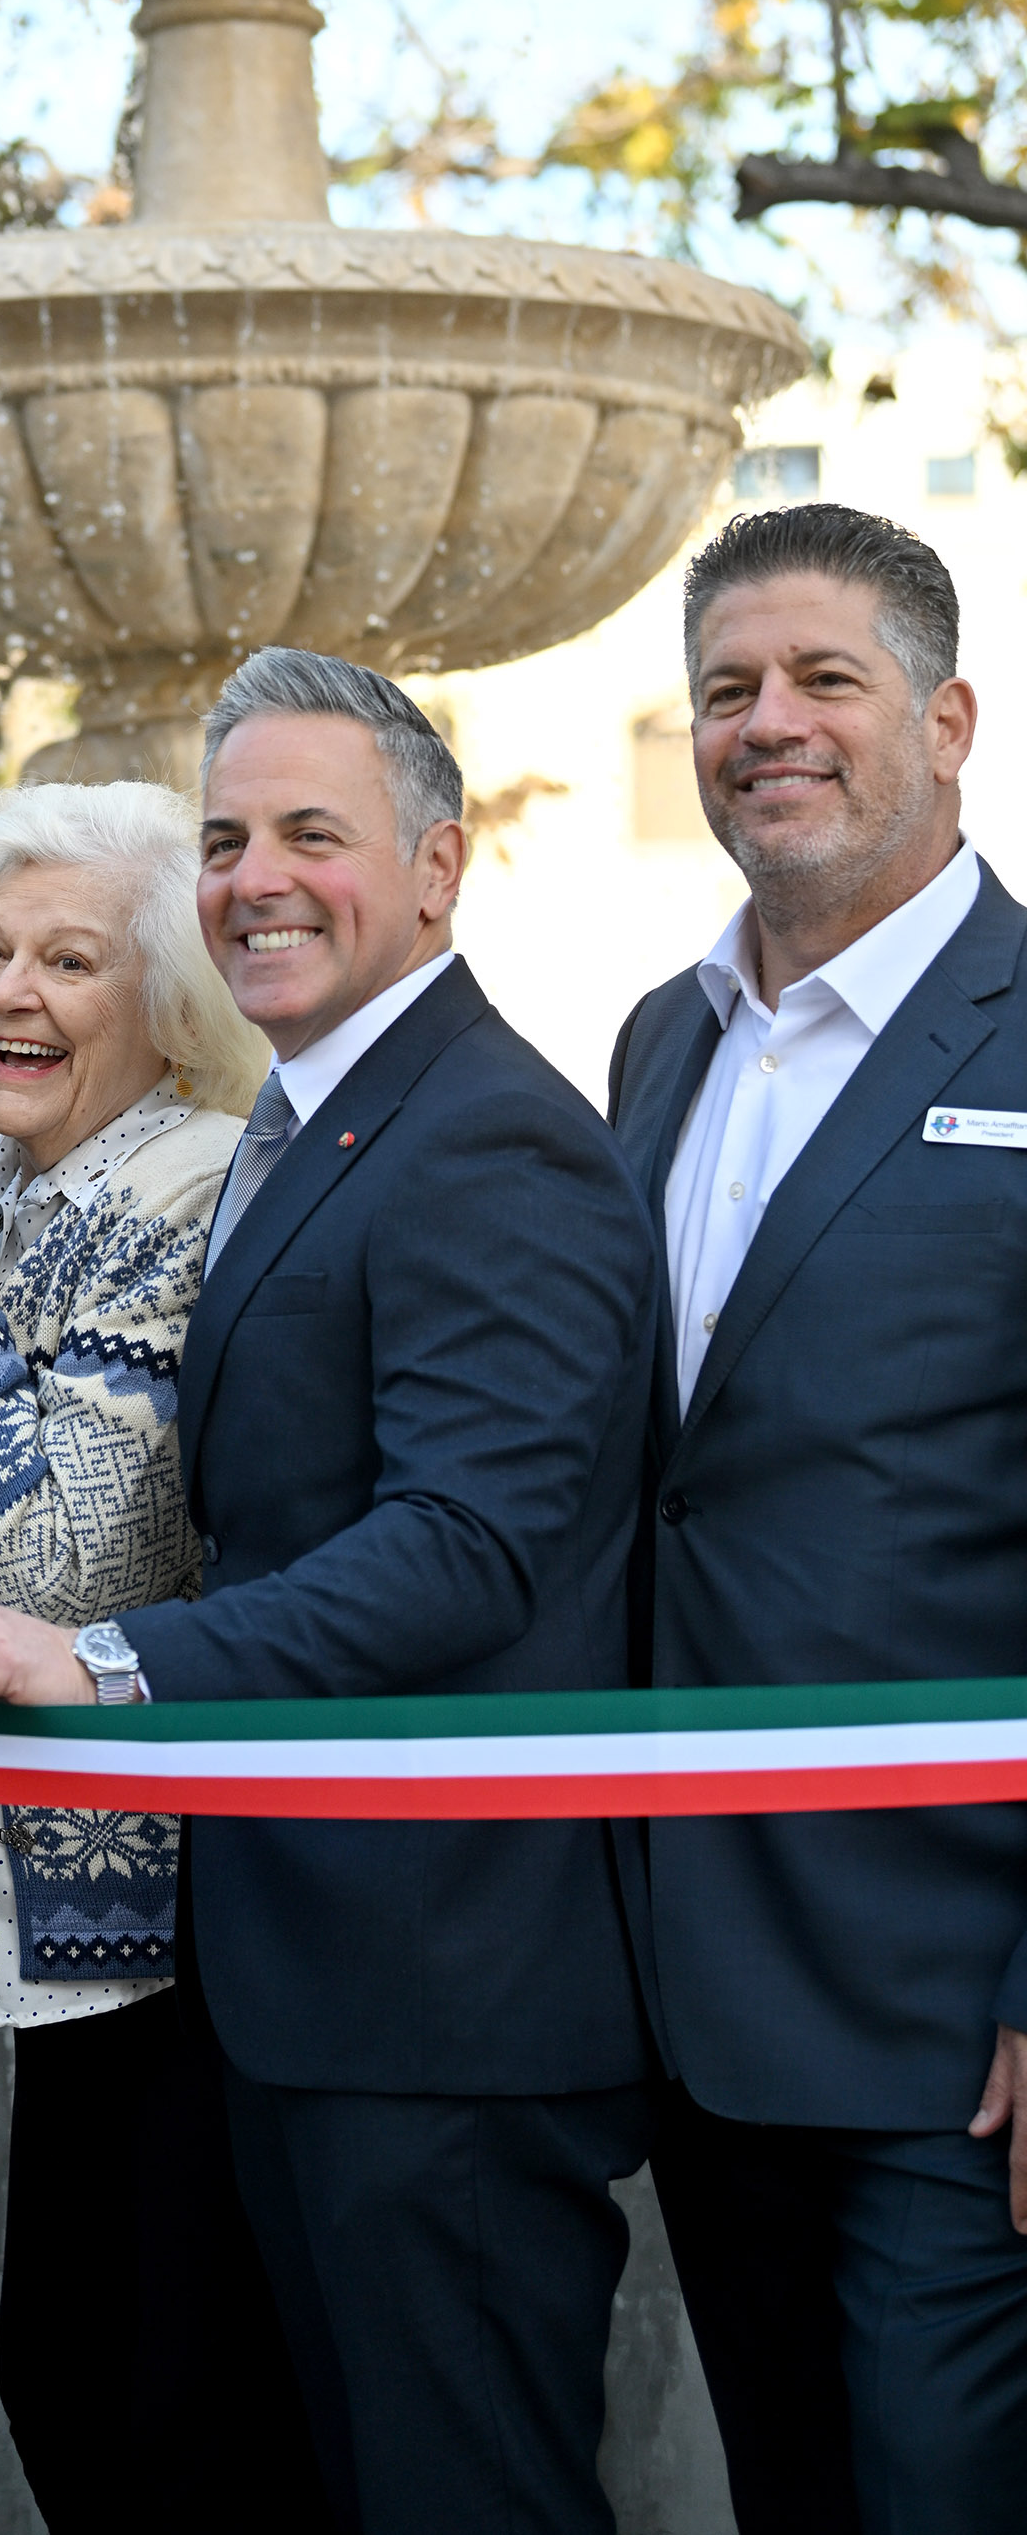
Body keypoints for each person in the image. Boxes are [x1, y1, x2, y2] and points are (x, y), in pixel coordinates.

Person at [0, 649, 658, 2535]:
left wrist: (109, 1654)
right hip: (303, 1977)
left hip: (444, 1995)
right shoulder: (314, 1131)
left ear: (438, 865)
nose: (255, 878)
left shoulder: (495, 1138)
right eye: (227, 838)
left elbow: (470, 1544)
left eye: (314, 834)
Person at [0, 776, 320, 2530]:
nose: (7, 991)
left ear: (164, 998)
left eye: (69, 960)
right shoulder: (29, 1182)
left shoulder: (173, 1183)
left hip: (176, 1933)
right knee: (76, 2383)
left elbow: (54, 1573)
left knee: (147, 2407)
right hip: (63, 1929)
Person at [608, 502, 1027, 2534]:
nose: (762, 725)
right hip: (690, 1995)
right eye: (721, 691)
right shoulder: (654, 1043)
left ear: (943, 721)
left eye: (820, 682)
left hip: (955, 2013)